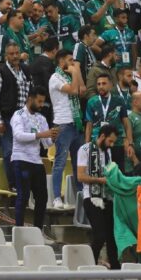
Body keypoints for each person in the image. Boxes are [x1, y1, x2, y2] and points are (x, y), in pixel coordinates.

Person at [10, 87, 57, 228]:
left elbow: (46, 144)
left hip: (36, 161)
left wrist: (53, 137)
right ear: (30, 99)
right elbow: (18, 136)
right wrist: (42, 135)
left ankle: (38, 229)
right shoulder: (18, 115)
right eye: (39, 101)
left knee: (42, 198)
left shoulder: (41, 118)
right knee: (23, 196)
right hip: (21, 159)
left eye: (43, 102)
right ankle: (18, 229)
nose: (42, 105)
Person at [77, 124, 120, 269]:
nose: (111, 145)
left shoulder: (108, 152)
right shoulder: (85, 150)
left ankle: (115, 266)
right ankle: (90, 265)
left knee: (112, 235)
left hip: (107, 196)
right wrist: (99, 180)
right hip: (91, 197)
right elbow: (81, 176)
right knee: (100, 235)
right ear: (102, 137)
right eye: (110, 141)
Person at [0, 42, 31, 188]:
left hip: (24, 118)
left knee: (25, 152)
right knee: (9, 152)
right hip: (7, 118)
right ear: (6, 56)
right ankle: (13, 184)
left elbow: (29, 94)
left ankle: (24, 183)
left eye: (17, 53)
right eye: (11, 54)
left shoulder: (25, 69)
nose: (15, 56)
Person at [49, 49, 86, 208]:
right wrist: (76, 70)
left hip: (76, 123)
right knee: (60, 162)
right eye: (70, 60)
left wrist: (75, 72)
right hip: (63, 124)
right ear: (61, 61)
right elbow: (72, 90)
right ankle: (57, 197)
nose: (72, 63)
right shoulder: (55, 77)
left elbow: (81, 91)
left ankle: (81, 197)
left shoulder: (70, 76)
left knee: (80, 163)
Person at [84, 74, 135, 172]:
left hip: (117, 143)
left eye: (104, 83)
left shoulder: (119, 100)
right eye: (98, 84)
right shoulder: (92, 102)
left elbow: (126, 123)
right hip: (98, 143)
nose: (101, 86)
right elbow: (89, 125)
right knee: (100, 172)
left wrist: (130, 143)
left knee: (118, 172)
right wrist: (87, 144)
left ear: (111, 85)